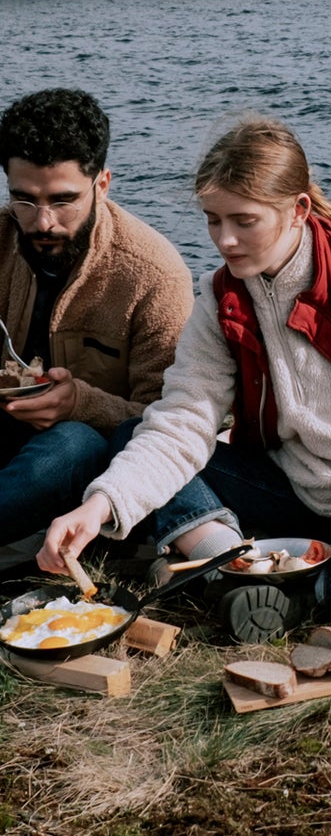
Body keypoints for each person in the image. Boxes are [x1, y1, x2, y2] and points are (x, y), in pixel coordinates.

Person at [40, 115, 331, 632]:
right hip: (296, 494)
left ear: (298, 209)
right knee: (135, 436)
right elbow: (182, 423)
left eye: (244, 221)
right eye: (213, 220)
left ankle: (282, 588)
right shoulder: (219, 298)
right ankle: (243, 565)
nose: (225, 240)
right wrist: (100, 506)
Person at [0, 88, 193, 548]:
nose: (42, 222)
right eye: (24, 200)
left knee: (73, 445)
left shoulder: (154, 275)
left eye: (63, 201)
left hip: (89, 467)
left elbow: (166, 422)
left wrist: (79, 405)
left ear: (102, 184)